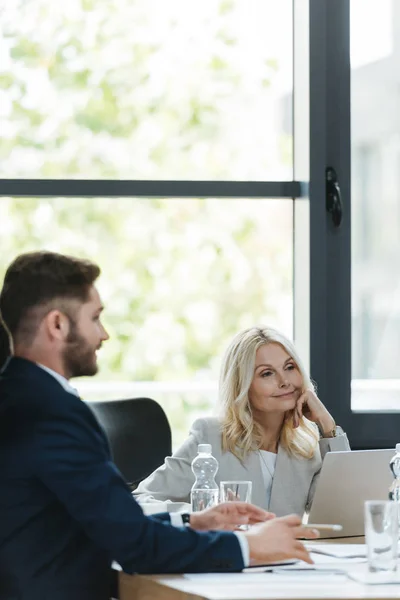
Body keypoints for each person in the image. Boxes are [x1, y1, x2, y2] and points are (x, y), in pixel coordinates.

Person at [0, 252, 317, 600]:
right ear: (57, 325)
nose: (103, 334)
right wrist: (247, 545)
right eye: (95, 318)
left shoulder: (17, 398)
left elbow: (106, 522)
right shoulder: (54, 414)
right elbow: (135, 544)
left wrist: (194, 522)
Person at [135, 326, 350, 514]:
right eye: (267, 373)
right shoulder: (210, 437)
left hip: (286, 558)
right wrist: (203, 514)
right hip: (232, 557)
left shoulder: (306, 446)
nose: (285, 381)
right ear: (243, 385)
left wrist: (328, 426)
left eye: (290, 367)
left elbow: (345, 509)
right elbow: (142, 500)